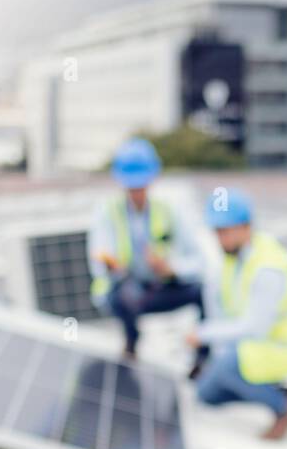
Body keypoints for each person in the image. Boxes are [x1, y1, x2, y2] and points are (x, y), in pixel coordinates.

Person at [188, 187, 287, 440]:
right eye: (216, 233)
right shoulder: (234, 258)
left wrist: (204, 335)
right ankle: (280, 390)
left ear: (246, 228)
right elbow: (223, 308)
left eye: (224, 232)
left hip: (282, 347)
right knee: (205, 395)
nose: (219, 239)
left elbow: (255, 327)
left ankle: (282, 407)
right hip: (255, 345)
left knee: (224, 369)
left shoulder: (268, 267)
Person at [87, 137, 208, 363]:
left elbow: (199, 261)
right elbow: (98, 263)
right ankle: (131, 344)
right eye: (131, 187)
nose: (136, 192)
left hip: (159, 287)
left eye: (140, 185)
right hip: (125, 291)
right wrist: (116, 268)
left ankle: (202, 355)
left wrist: (172, 269)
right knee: (123, 294)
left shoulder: (169, 210)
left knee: (204, 289)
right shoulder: (107, 212)